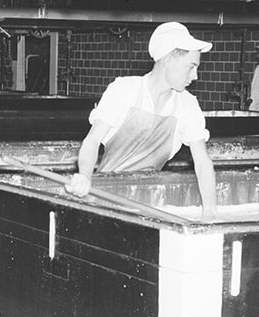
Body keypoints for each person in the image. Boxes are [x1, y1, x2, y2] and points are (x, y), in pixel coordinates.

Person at [66, 21, 217, 218]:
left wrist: (211, 212)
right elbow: (92, 141)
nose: (195, 76)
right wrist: (85, 176)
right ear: (169, 60)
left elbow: (202, 162)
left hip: (149, 202)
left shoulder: (187, 105)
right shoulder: (125, 90)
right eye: (191, 67)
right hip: (106, 199)